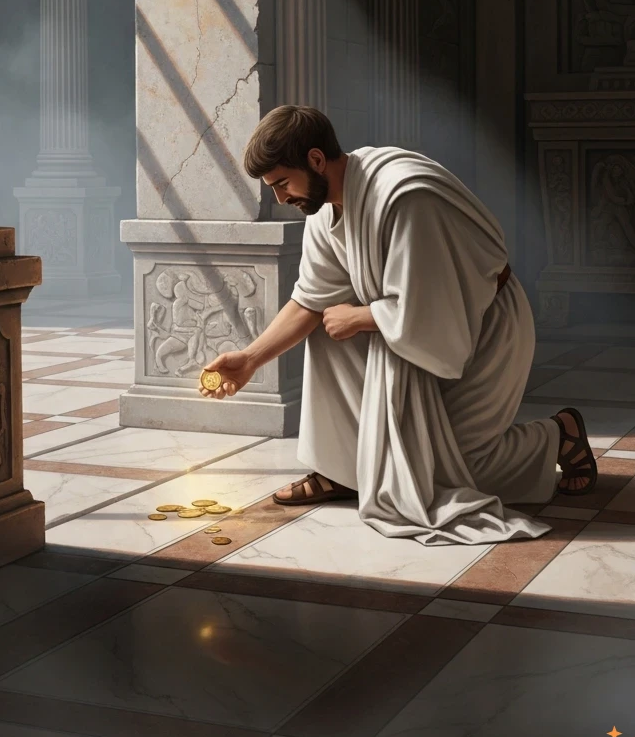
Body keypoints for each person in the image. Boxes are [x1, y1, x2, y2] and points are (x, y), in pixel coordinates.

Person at [200, 106, 596, 547]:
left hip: (485, 325)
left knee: (445, 473)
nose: (279, 198)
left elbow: (433, 305)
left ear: (315, 160)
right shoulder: (324, 211)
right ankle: (343, 470)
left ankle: (560, 435)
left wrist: (359, 316)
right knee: (330, 330)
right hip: (411, 330)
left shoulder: (405, 197)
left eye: (282, 183)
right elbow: (310, 301)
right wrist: (250, 359)